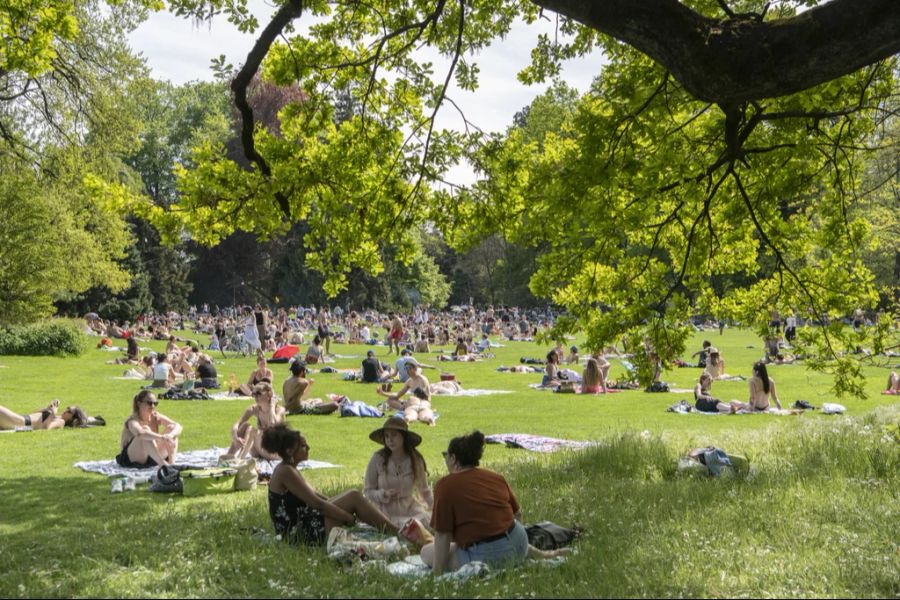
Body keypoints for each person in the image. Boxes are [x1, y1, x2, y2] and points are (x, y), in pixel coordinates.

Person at [420, 430, 567, 575]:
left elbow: (442, 534)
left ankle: (512, 555)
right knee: (505, 533)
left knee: (426, 552)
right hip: (518, 543)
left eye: (445, 455)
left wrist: (437, 572)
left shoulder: (445, 485)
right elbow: (517, 514)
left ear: (453, 458)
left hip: (486, 556)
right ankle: (542, 554)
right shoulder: (495, 477)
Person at [261, 424, 399, 545]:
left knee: (351, 496)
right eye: (303, 446)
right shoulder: (285, 471)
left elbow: (317, 495)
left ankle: (392, 529)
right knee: (354, 496)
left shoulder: (289, 468)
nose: (308, 448)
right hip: (297, 535)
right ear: (290, 451)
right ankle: (397, 532)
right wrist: (348, 517)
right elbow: (318, 504)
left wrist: (342, 507)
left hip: (306, 523)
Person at [364, 416, 433, 527]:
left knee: (422, 521)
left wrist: (436, 508)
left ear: (403, 437)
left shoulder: (415, 459)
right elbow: (368, 491)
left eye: (394, 435)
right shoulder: (377, 459)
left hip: (410, 509)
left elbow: (424, 490)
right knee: (395, 525)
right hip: (384, 512)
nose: (390, 440)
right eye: (387, 436)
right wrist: (383, 494)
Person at [116, 390, 182, 468]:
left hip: (153, 456)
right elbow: (140, 433)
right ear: (139, 403)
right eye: (149, 403)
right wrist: (162, 437)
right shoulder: (132, 420)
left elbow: (177, 426)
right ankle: (164, 465)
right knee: (145, 430)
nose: (153, 406)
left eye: (155, 403)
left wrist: (170, 435)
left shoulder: (155, 416)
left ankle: (172, 464)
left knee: (172, 429)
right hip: (132, 458)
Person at [227, 381, 285, 460]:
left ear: (269, 394)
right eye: (254, 394)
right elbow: (237, 425)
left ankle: (239, 460)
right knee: (245, 426)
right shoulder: (254, 409)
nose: (255, 397)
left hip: (275, 451)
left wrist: (272, 406)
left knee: (252, 430)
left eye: (259, 393)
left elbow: (273, 424)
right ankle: (228, 456)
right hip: (259, 449)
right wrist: (235, 437)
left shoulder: (280, 410)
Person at [376, 360, 435, 425]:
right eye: (406, 369)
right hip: (416, 403)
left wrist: (407, 402)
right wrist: (383, 393)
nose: (407, 371)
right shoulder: (409, 381)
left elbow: (423, 397)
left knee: (412, 414)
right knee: (390, 399)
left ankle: (408, 415)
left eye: (409, 368)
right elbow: (398, 395)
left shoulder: (422, 379)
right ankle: (427, 418)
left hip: (421, 403)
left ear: (415, 368)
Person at [0, 399, 104, 430]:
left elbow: (47, 428)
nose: (66, 410)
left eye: (69, 411)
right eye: (67, 408)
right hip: (20, 418)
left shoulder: (61, 422)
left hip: (20, 422)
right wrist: (47, 409)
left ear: (72, 418)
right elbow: (33, 414)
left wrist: (52, 413)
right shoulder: (56, 416)